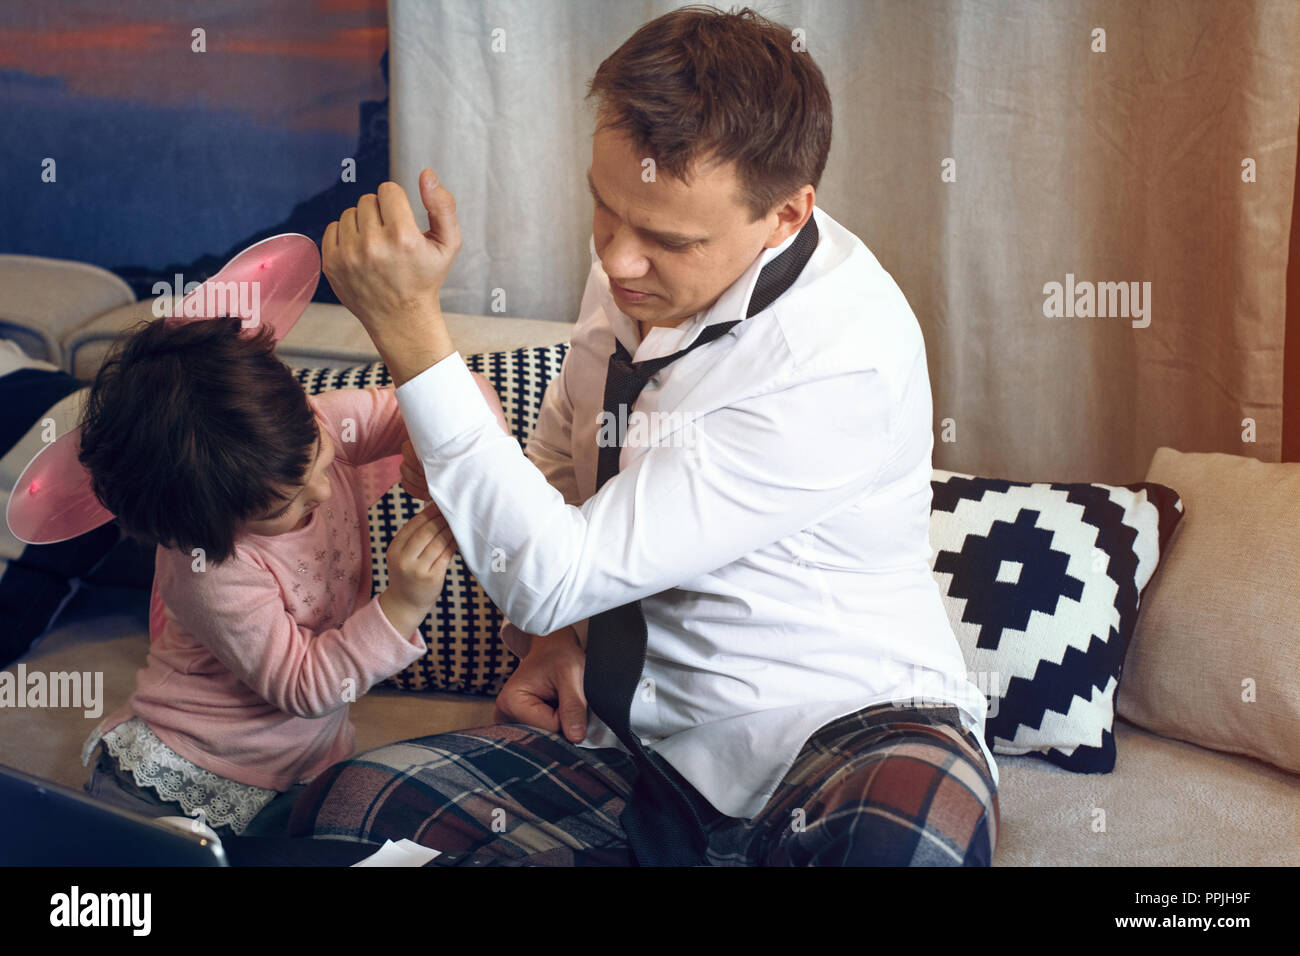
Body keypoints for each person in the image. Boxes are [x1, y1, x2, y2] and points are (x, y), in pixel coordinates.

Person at [303, 5, 1000, 865]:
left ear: (787, 214)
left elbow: (554, 574)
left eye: (668, 239)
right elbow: (562, 464)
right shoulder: (635, 273)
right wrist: (555, 642)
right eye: (606, 208)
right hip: (642, 750)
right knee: (359, 809)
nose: (618, 261)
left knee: (902, 848)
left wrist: (411, 332)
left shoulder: (839, 357)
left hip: (846, 733)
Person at [75, 315, 506, 839]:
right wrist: (404, 603)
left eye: (320, 461)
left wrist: (433, 443)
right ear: (203, 522)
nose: (323, 493)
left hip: (300, 772)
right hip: (178, 771)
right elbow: (305, 686)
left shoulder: (315, 427)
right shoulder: (210, 566)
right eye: (286, 504)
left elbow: (455, 397)